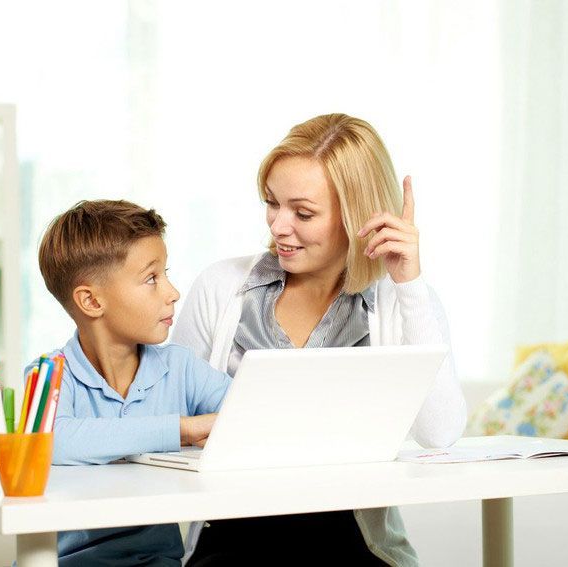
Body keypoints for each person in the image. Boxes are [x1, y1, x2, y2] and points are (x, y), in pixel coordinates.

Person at [172, 113, 466, 566]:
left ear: (355, 216)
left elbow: (439, 434)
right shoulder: (221, 288)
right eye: (272, 202)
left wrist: (409, 284)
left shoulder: (398, 301)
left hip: (352, 542)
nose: (278, 226)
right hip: (231, 538)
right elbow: (174, 421)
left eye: (303, 213)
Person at [32, 199, 232, 566]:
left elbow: (251, 411)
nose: (172, 292)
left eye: (166, 274)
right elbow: (51, 442)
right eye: (151, 278)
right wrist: (183, 429)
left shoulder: (180, 368)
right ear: (91, 301)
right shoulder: (48, 375)